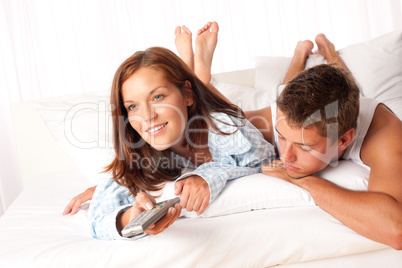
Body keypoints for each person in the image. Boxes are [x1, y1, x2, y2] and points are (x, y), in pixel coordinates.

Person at [65, 22, 402, 249]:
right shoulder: (271, 121)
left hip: (342, 104)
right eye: (282, 140)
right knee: (252, 104)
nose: (286, 157)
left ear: (344, 141)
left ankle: (328, 51)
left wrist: (302, 180)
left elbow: (396, 228)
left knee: (346, 79)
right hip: (263, 108)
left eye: (304, 146)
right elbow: (215, 125)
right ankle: (216, 72)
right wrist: (118, 182)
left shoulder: (384, 135)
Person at [81, 22, 275, 240]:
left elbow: (264, 163)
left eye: (157, 97)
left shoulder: (224, 127)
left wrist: (210, 175)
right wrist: (130, 217)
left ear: (187, 95)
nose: (147, 116)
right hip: (194, 109)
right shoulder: (130, 150)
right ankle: (197, 75)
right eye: (133, 106)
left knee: (258, 108)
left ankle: (199, 75)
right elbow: (99, 220)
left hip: (252, 117)